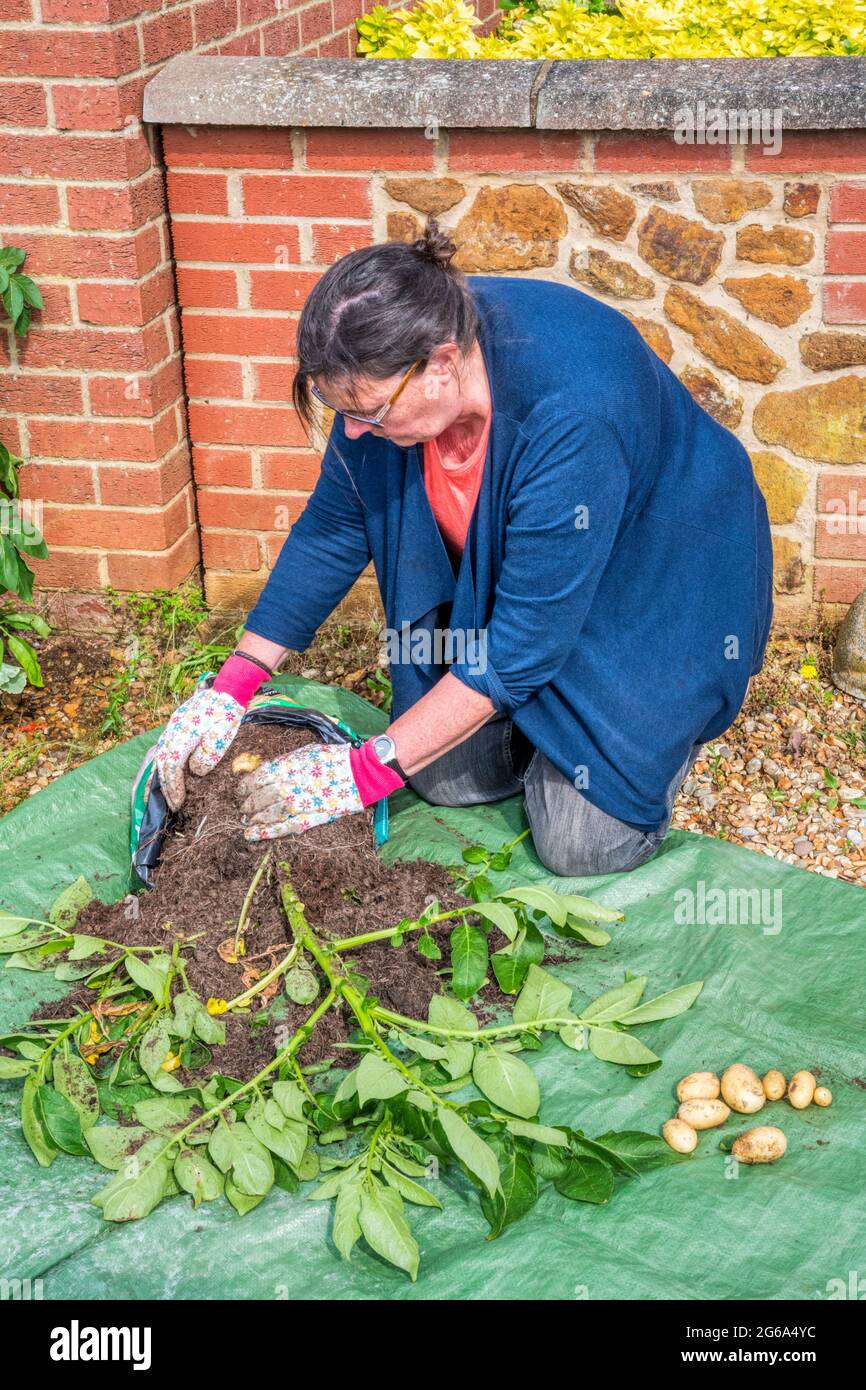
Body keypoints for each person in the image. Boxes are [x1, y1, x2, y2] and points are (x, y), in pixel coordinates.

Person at [155, 219, 773, 878]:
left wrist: (364, 771)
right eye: (345, 414)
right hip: (541, 590)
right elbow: (335, 525)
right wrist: (233, 685)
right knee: (441, 777)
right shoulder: (388, 368)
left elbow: (519, 648)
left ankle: (647, 730)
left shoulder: (573, 414)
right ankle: (539, 726)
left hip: (654, 582)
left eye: (367, 414)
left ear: (442, 363)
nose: (355, 435)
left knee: (581, 847)